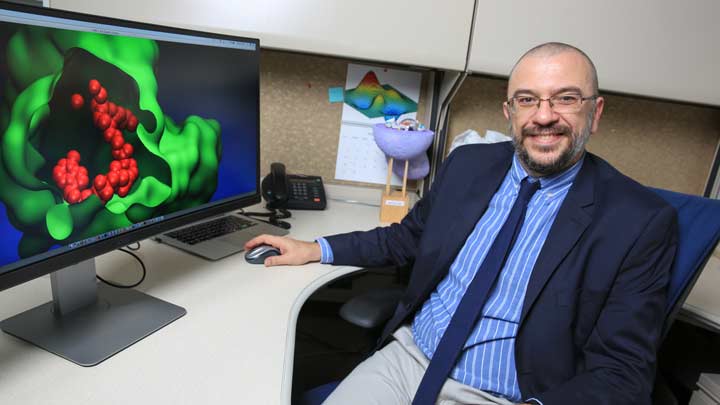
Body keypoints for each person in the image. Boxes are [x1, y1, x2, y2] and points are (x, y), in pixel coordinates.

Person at [246, 42, 678, 405]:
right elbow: (407, 238)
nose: (543, 115)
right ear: (509, 112)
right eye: (527, 99)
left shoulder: (638, 222)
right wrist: (316, 248)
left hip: (504, 396)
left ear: (595, 113)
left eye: (565, 98)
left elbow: (623, 373)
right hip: (408, 360)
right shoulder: (469, 166)